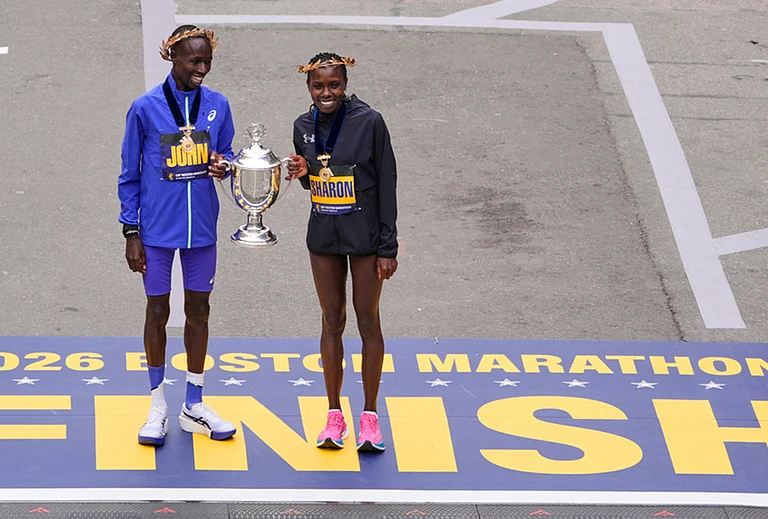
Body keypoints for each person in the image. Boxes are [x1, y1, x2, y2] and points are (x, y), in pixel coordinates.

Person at [118, 25, 237, 446]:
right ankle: (157, 405)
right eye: (194, 61)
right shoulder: (145, 108)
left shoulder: (218, 105)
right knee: (157, 312)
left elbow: (227, 154)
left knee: (199, 311)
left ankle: (194, 404)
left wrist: (226, 165)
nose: (202, 68)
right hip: (155, 231)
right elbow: (129, 174)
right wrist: (131, 231)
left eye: (207, 61)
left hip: (201, 228)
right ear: (173, 57)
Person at [286, 52, 398, 452]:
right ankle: (334, 415)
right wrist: (302, 172)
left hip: (366, 238)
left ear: (345, 84)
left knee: (368, 321)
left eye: (334, 85)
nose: (326, 93)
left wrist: (389, 246)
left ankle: (369, 417)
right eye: (319, 86)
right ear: (309, 87)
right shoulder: (303, 126)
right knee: (331, 319)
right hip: (324, 237)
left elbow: (387, 183)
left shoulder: (369, 122)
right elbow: (315, 181)